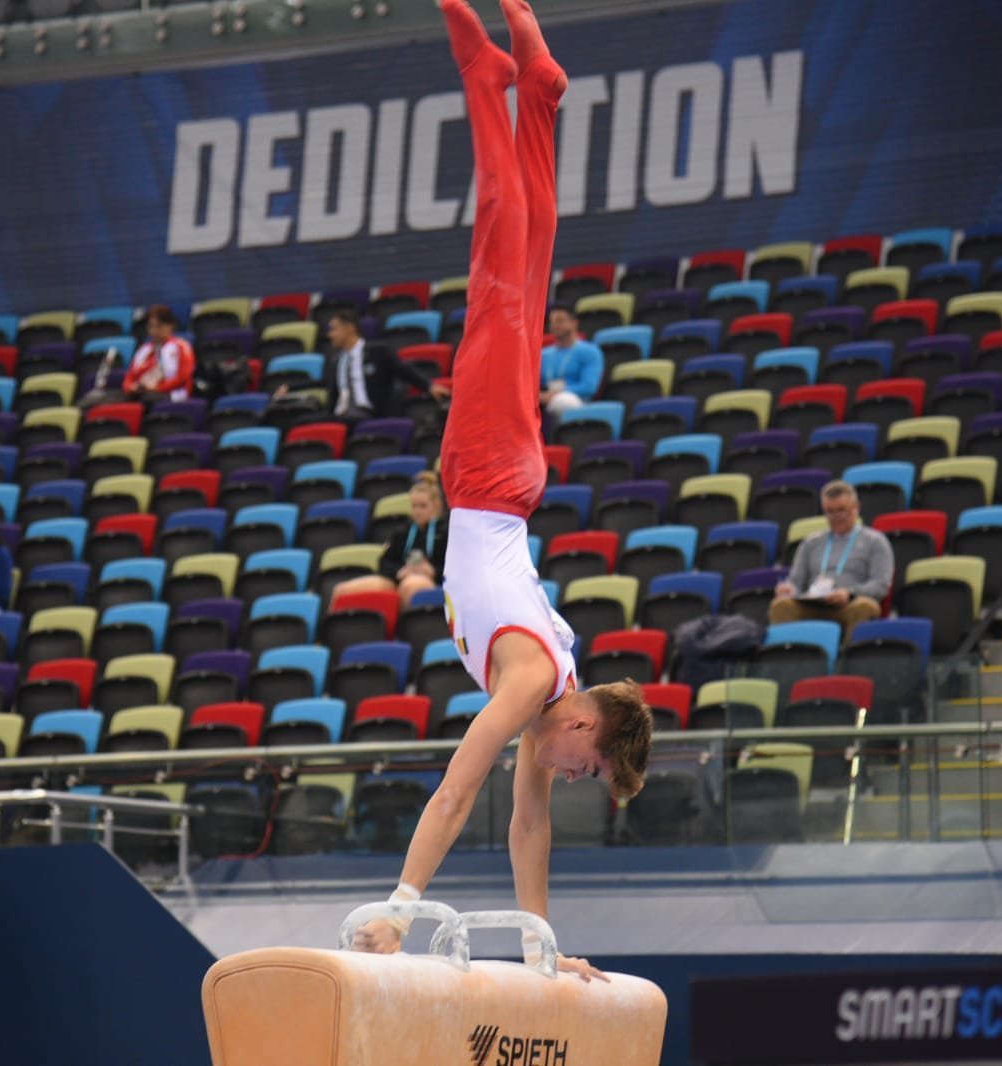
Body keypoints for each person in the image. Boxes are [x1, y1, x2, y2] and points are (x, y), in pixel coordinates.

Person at [350, 0, 651, 982]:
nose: (569, 780)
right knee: (499, 259)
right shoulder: (532, 680)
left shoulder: (548, 697)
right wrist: (401, 906)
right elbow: (457, 784)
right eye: (588, 769)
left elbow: (525, 828)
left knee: (524, 260)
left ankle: (539, 99)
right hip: (483, 473)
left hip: (509, 479)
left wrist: (543, 949)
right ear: (585, 728)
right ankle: (492, 86)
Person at [768, 480, 895, 641]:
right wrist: (788, 589)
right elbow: (796, 582)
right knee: (781, 605)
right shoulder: (811, 542)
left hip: (849, 604)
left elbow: (880, 584)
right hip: (813, 604)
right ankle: (785, 662)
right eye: (830, 512)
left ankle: (847, 663)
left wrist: (849, 593)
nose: (836, 517)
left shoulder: (875, 541)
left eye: (842, 510)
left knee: (865, 607)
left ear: (856, 508)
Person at [331, 472, 448, 610]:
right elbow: (384, 562)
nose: (417, 511)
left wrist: (432, 571)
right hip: (398, 579)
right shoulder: (402, 532)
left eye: (423, 506)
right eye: (414, 506)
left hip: (431, 580)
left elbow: (456, 568)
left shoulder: (445, 533)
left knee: (409, 586)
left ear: (435, 506)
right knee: (341, 590)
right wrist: (399, 571)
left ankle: (402, 629)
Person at [318, 312, 452, 423]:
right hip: (339, 416)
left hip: (369, 413)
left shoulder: (378, 352)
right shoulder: (335, 361)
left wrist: (429, 386)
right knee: (304, 422)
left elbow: (403, 370)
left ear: (350, 328)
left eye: (334, 329)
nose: (330, 335)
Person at [124, 305, 197, 403]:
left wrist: (159, 388)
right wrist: (129, 387)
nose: (153, 331)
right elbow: (131, 375)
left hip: (173, 393)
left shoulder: (182, 346)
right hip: (144, 392)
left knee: (148, 400)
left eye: (158, 327)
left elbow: (183, 376)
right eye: (150, 327)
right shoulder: (143, 349)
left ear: (170, 326)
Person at [540, 304, 604, 415]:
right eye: (552, 321)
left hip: (577, 401)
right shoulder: (544, 354)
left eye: (559, 321)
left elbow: (589, 387)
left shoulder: (590, 351)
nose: (555, 325)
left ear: (574, 323)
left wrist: (557, 394)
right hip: (546, 400)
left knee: (564, 401)